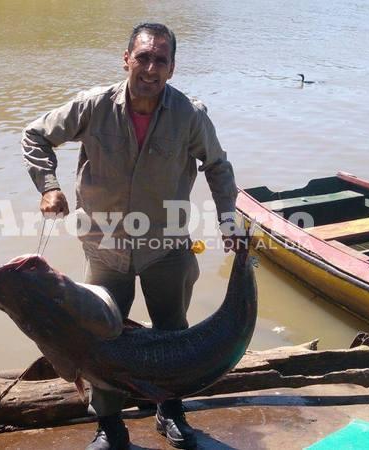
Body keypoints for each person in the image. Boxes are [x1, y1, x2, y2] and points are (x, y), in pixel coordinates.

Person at [22, 23, 238, 450]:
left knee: (174, 333)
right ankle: (109, 425)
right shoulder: (93, 106)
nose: (150, 68)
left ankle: (170, 411)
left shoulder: (189, 115)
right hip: (104, 246)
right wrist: (48, 186)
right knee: (100, 336)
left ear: (172, 68)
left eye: (161, 60)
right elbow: (36, 135)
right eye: (143, 57)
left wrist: (228, 220)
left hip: (167, 246)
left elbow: (217, 165)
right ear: (126, 59)